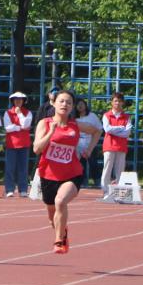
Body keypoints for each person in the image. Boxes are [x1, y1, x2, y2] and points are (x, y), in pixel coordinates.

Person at [33, 90, 103, 253]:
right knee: (52, 217)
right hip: (48, 175)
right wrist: (51, 132)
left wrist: (89, 149)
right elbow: (37, 149)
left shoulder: (75, 125)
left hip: (72, 173)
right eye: (62, 101)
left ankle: (58, 241)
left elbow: (97, 131)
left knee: (60, 201)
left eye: (69, 102)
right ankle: (62, 232)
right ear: (54, 103)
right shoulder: (44, 123)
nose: (65, 104)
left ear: (72, 107)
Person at [100, 91, 132, 197]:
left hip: (121, 146)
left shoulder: (127, 117)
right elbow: (107, 129)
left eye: (119, 101)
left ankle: (119, 192)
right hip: (109, 146)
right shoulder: (106, 115)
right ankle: (105, 191)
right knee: (107, 168)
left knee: (120, 170)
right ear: (112, 102)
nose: (117, 103)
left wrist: (115, 130)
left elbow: (127, 133)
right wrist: (120, 128)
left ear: (123, 102)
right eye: (115, 101)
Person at [3, 92, 32, 198]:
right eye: (16, 99)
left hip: (24, 144)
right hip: (11, 144)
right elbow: (7, 128)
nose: (18, 101)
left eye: (20, 99)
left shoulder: (28, 112)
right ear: (13, 101)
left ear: (23, 101)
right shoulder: (8, 113)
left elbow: (26, 124)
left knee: (23, 168)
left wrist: (19, 114)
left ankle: (23, 189)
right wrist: (19, 127)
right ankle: (9, 189)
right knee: (10, 168)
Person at [74, 97, 102, 187]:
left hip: (90, 143)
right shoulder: (73, 118)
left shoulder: (92, 116)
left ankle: (97, 182)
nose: (80, 106)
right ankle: (83, 182)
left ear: (85, 105)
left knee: (93, 163)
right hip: (78, 144)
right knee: (81, 164)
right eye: (78, 104)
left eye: (82, 104)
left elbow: (99, 129)